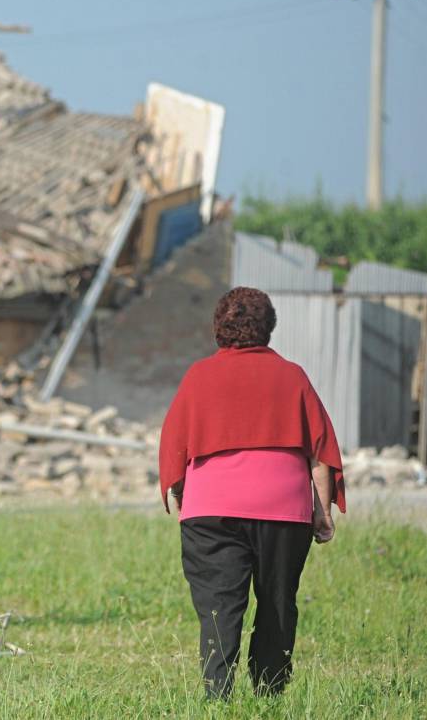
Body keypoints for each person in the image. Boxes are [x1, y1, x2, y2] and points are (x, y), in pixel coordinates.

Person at [159, 287, 345, 699]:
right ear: (269, 328)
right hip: (282, 511)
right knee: (278, 603)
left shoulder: (199, 376)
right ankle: (269, 695)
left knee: (218, 609)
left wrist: (181, 493)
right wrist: (323, 512)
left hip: (210, 512)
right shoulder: (292, 376)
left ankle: (217, 696)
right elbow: (320, 451)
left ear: (218, 329)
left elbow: (176, 444)